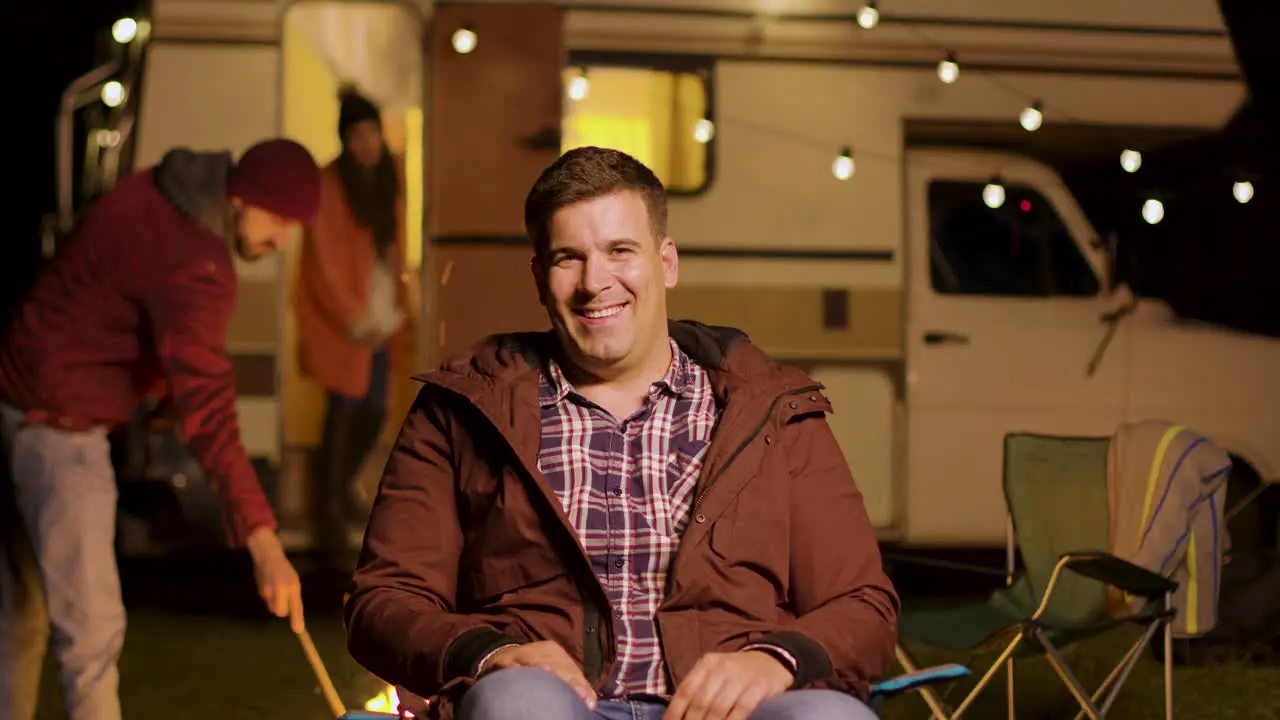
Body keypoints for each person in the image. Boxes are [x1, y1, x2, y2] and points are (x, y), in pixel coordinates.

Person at [344, 146, 899, 720]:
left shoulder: (772, 412)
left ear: (667, 262)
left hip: (730, 712)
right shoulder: (462, 410)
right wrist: (491, 655)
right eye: (568, 258)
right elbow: (383, 601)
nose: (594, 282)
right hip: (549, 706)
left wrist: (777, 659)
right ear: (539, 277)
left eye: (619, 251)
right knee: (518, 706)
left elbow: (862, 604)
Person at [0, 138, 321, 720]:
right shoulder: (196, 261)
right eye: (277, 220)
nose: (280, 241)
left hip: (17, 397)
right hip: (58, 429)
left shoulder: (160, 190)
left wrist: (160, 389)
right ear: (241, 196)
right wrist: (264, 540)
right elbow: (213, 412)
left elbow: (133, 311)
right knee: (92, 635)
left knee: (18, 617)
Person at [294, 86, 412, 563]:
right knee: (342, 412)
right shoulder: (328, 182)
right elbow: (321, 260)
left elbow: (394, 245)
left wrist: (399, 304)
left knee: (373, 411)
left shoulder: (387, 179)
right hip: (345, 323)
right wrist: (352, 315)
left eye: (371, 134)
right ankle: (330, 512)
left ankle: (339, 493)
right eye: (357, 135)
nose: (366, 144)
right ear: (345, 139)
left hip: (381, 316)